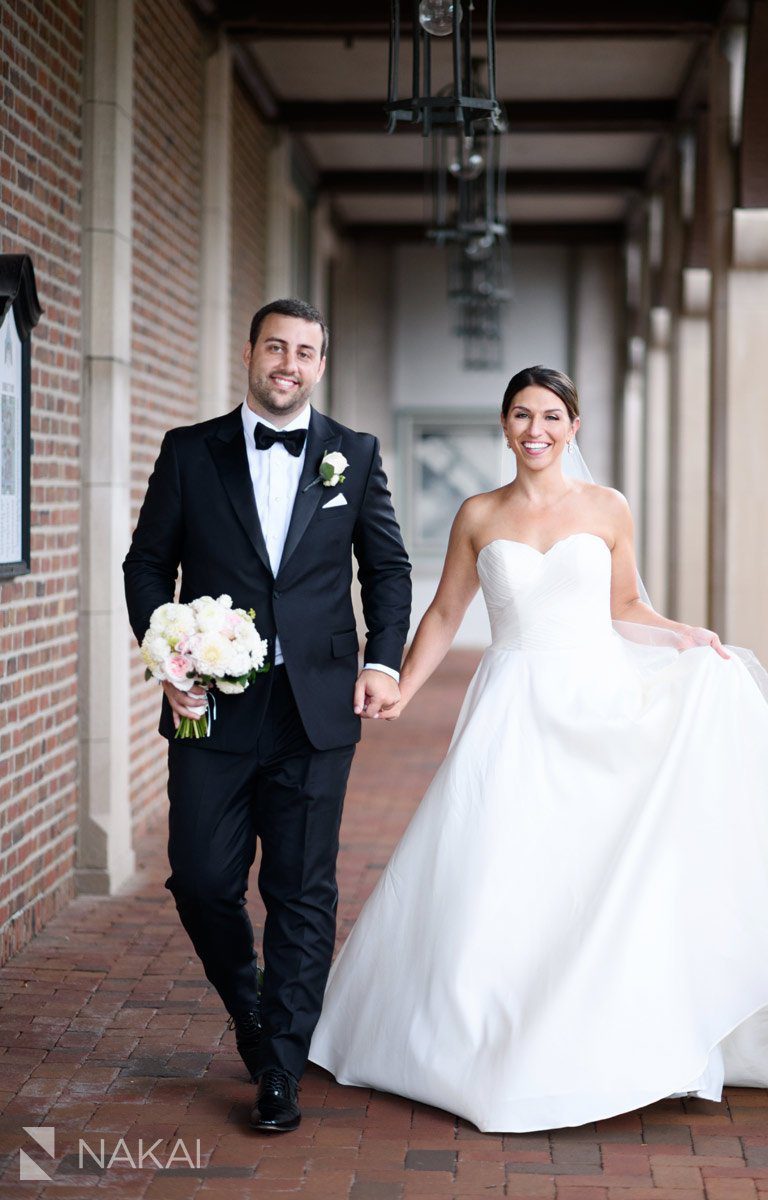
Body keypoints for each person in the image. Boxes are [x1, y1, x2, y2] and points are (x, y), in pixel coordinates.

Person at [309, 364, 768, 1134]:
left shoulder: (608, 508)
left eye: (551, 416)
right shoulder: (478, 514)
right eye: (520, 415)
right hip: (512, 706)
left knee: (599, 870)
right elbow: (443, 614)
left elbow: (626, 603)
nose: (535, 429)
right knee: (498, 865)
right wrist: (401, 684)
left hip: (598, 701)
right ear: (503, 426)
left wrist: (683, 636)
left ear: (574, 426)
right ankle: (484, 1036)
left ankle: (615, 1030)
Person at [123, 299, 411, 1134]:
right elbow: (148, 564)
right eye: (276, 346)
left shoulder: (353, 456)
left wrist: (383, 660)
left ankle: (279, 1063)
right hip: (209, 703)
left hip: (316, 710)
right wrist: (168, 659)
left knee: (301, 889)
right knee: (203, 878)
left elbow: (385, 570)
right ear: (250, 352)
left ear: (322, 363)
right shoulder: (189, 451)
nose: (289, 362)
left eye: (306, 351)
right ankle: (248, 1005)